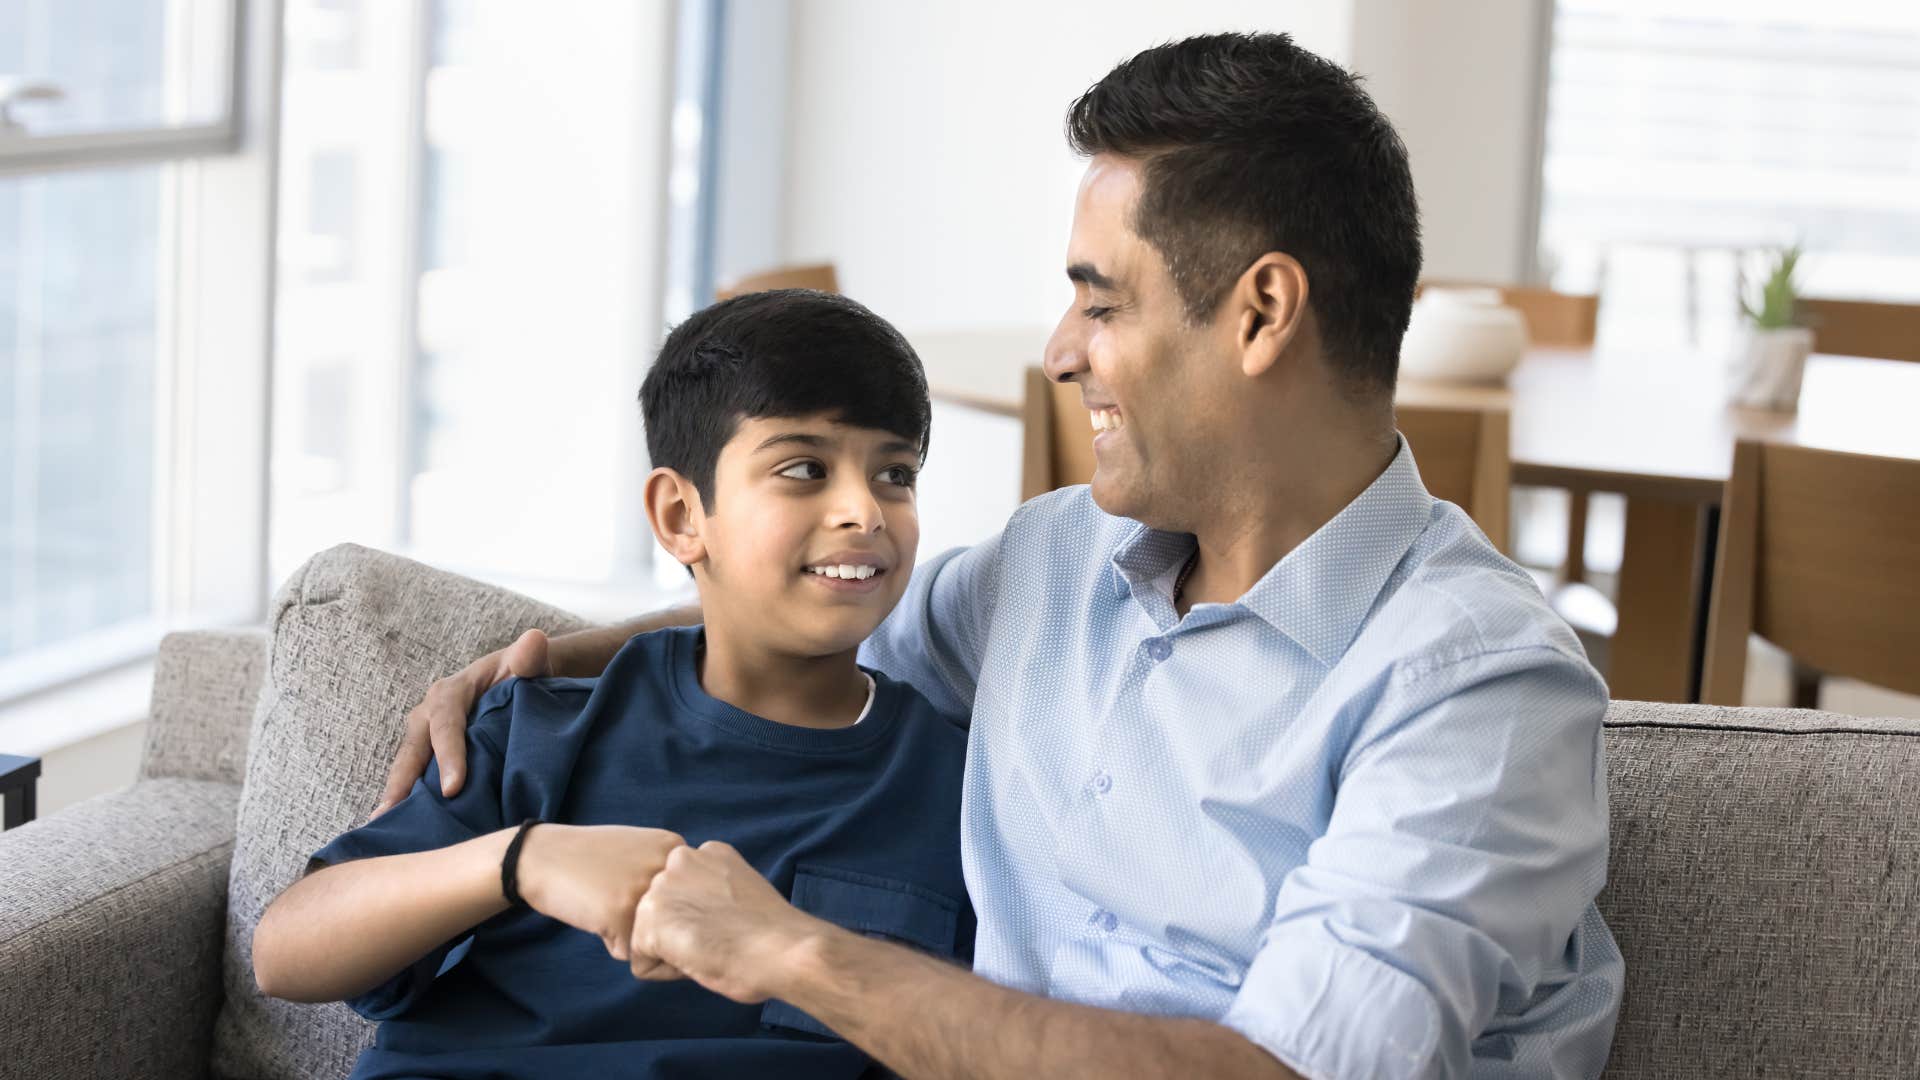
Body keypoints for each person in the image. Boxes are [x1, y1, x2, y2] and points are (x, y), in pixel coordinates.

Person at [380, 31, 1625, 1079]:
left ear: (1260, 313)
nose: (1060, 351)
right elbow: (809, 619)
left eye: (1102, 301)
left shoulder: (1478, 687)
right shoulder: (1056, 561)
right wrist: (541, 660)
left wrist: (792, 952)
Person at [254, 289, 974, 1079]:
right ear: (679, 515)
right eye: (803, 469)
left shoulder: (960, 788)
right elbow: (285, 954)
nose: (864, 511)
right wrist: (521, 861)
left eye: (896, 473)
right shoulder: (544, 730)